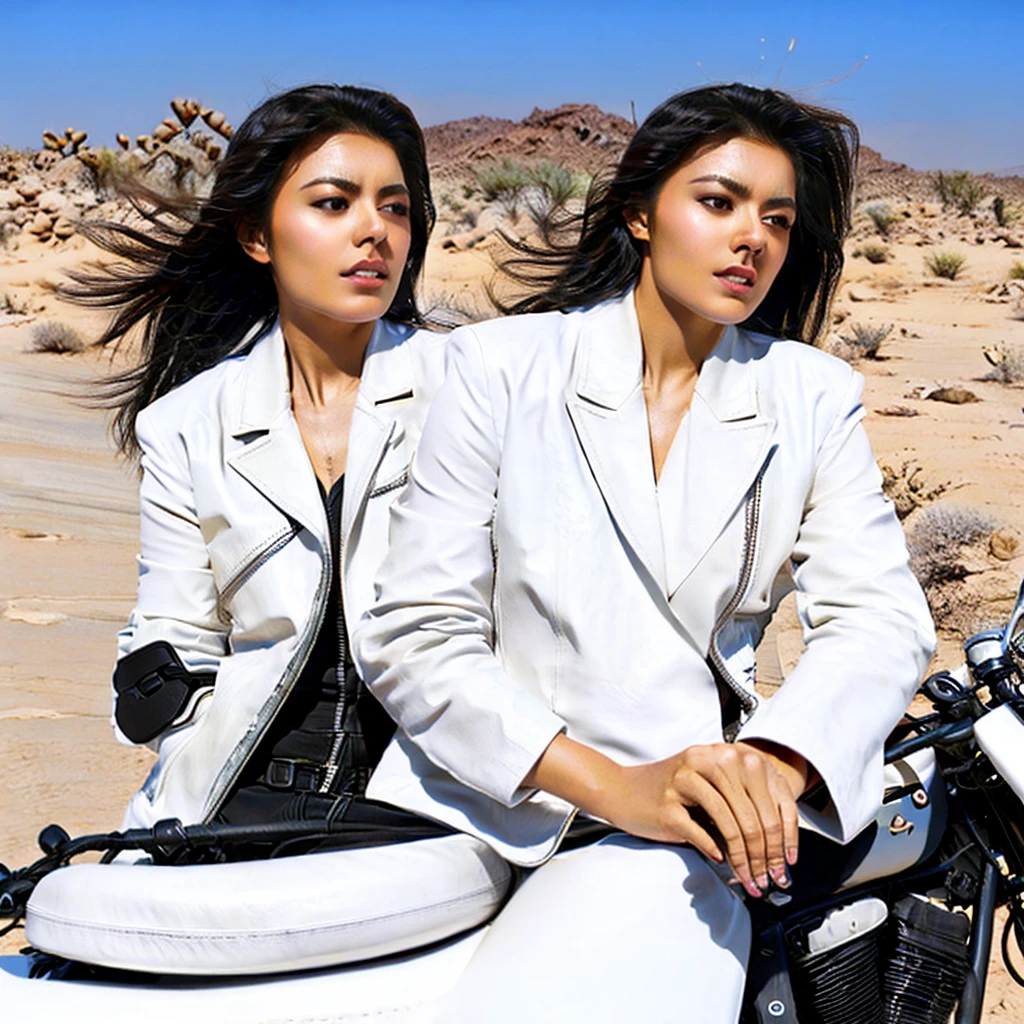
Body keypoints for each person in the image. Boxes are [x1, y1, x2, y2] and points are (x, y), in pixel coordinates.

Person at [356, 83, 936, 1021]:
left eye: (777, 220)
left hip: (682, 824)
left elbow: (880, 617)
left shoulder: (811, 396)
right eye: (718, 202)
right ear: (639, 212)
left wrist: (773, 766)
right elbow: (417, 629)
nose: (752, 238)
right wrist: (616, 787)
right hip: (480, 800)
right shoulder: (499, 368)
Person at [73, 84, 450, 847]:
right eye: (333, 203)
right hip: (236, 799)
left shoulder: (481, 388)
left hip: (435, 805)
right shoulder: (183, 424)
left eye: (395, 207)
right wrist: (184, 737)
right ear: (256, 236)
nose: (373, 231)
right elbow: (173, 632)